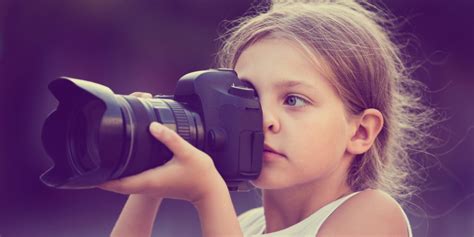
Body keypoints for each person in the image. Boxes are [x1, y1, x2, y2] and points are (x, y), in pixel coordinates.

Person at [99, 0, 436, 236]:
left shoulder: (371, 216)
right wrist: (149, 168)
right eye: (248, 96)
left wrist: (208, 194)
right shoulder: (244, 225)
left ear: (361, 131)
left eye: (293, 99)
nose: (264, 120)